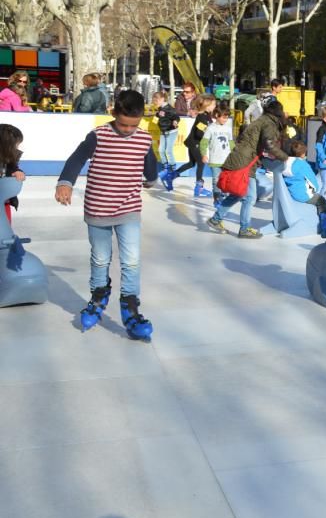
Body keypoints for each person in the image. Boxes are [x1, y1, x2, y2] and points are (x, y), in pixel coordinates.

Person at [55, 90, 159, 341]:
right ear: (113, 113)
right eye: (123, 124)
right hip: (98, 209)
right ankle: (99, 296)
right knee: (100, 259)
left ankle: (131, 309)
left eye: (133, 125)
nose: (127, 130)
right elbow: (77, 158)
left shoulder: (144, 138)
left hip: (129, 208)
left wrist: (152, 178)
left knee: (131, 261)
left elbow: (150, 163)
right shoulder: (98, 136)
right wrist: (65, 182)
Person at [207, 96, 288, 239]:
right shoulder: (269, 123)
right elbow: (269, 144)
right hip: (245, 161)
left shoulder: (262, 120)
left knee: (238, 193)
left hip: (240, 158)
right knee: (250, 197)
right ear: (278, 112)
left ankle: (216, 219)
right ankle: (244, 228)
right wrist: (284, 157)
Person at [283, 140, 326, 238]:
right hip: (302, 195)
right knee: (322, 201)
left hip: (289, 192)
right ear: (303, 154)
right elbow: (313, 182)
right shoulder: (302, 165)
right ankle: (325, 228)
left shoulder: (285, 162)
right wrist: (315, 190)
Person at [165, 94, 216, 197]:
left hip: (193, 143)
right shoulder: (202, 117)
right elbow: (198, 133)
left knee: (191, 163)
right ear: (207, 106)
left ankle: (170, 176)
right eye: (213, 104)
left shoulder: (207, 116)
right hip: (195, 143)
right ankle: (199, 187)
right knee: (201, 163)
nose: (215, 106)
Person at [200, 102, 233, 199]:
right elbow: (204, 142)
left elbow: (231, 142)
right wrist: (204, 154)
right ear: (217, 116)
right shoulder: (211, 128)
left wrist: (235, 153)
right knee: (216, 180)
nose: (225, 120)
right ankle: (217, 198)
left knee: (227, 180)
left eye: (226, 117)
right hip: (215, 160)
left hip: (227, 160)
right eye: (223, 117)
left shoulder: (228, 128)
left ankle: (225, 196)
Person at [0, 123, 25, 223]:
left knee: (5, 228)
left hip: (4, 202)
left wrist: (17, 172)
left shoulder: (10, 158)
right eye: (16, 144)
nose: (17, 148)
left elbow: (13, 168)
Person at [153, 91, 180, 177]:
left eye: (156, 101)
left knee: (168, 151)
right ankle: (166, 167)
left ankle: (173, 168)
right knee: (161, 150)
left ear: (162, 99)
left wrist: (175, 121)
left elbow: (176, 116)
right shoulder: (160, 108)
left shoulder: (169, 108)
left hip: (171, 132)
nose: (154, 103)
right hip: (163, 132)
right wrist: (155, 115)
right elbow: (160, 115)